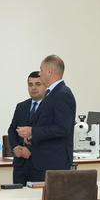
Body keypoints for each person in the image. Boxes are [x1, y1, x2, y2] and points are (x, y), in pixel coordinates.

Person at [15, 54, 76, 182]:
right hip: (42, 162)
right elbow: (46, 123)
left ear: (49, 72)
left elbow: (62, 129)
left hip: (53, 164)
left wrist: (33, 131)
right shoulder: (51, 93)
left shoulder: (62, 94)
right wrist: (31, 135)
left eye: (41, 70)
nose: (40, 73)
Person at [7, 71, 45, 186]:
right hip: (20, 165)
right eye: (30, 84)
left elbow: (49, 133)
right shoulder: (21, 106)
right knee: (18, 196)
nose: (33, 88)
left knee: (37, 197)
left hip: (40, 165)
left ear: (45, 86)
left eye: (38, 84)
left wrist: (30, 150)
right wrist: (15, 147)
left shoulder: (50, 106)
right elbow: (12, 130)